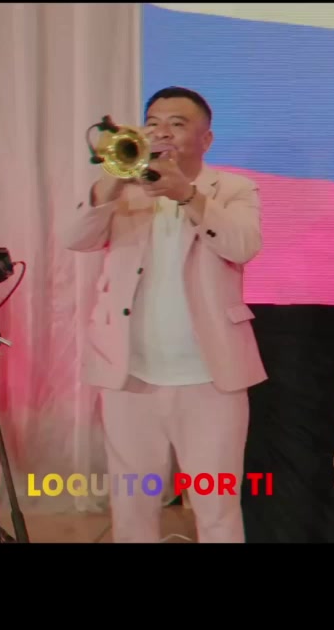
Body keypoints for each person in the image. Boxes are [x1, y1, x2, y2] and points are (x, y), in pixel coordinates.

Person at [60, 86, 266, 543]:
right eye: (153, 122)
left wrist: (187, 195)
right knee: (132, 507)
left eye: (177, 123)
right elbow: (75, 237)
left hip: (210, 379)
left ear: (206, 139)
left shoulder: (233, 189)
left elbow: (242, 245)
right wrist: (113, 178)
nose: (162, 132)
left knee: (217, 508)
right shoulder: (124, 191)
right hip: (130, 375)